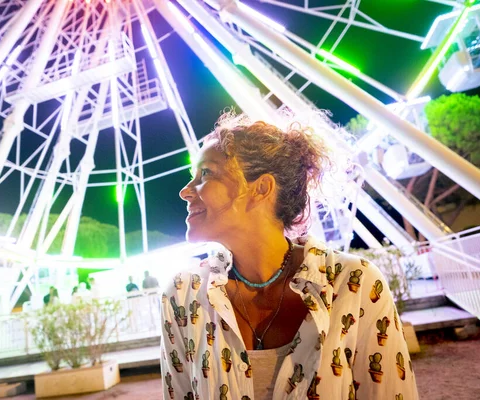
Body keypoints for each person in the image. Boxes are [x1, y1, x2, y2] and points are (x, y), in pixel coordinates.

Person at [160, 113, 419, 400]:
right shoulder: (184, 296)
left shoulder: (354, 286)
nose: (185, 191)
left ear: (261, 189)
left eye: (205, 174)